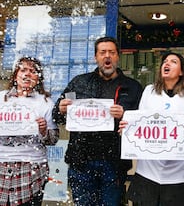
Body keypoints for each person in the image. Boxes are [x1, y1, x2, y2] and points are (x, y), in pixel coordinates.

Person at [52, 36, 143, 206]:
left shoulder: (132, 87)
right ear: (96, 57)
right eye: (103, 52)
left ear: (117, 56)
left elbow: (142, 121)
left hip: (114, 163)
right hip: (81, 161)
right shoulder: (79, 82)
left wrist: (126, 114)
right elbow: (56, 116)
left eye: (111, 52)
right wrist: (61, 108)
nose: (107, 56)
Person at [124, 52, 184, 206]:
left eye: (173, 61)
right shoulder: (149, 91)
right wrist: (127, 128)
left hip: (179, 174)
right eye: (165, 61)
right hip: (148, 172)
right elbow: (139, 123)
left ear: (182, 71)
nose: (167, 63)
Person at [0, 56, 59, 206]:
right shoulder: (1, 98)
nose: (27, 74)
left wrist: (44, 130)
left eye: (32, 71)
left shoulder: (45, 102)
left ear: (38, 78)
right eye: (23, 70)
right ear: (15, 75)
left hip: (32, 166)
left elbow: (53, 139)